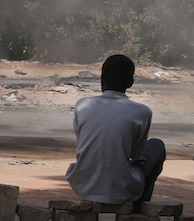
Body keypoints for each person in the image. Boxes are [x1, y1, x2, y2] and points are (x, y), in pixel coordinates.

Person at [65, 54, 165, 204]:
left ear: (101, 79)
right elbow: (135, 155)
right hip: (121, 189)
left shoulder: (83, 105)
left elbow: (83, 144)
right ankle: (139, 205)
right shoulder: (142, 111)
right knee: (157, 145)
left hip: (83, 185)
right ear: (130, 83)